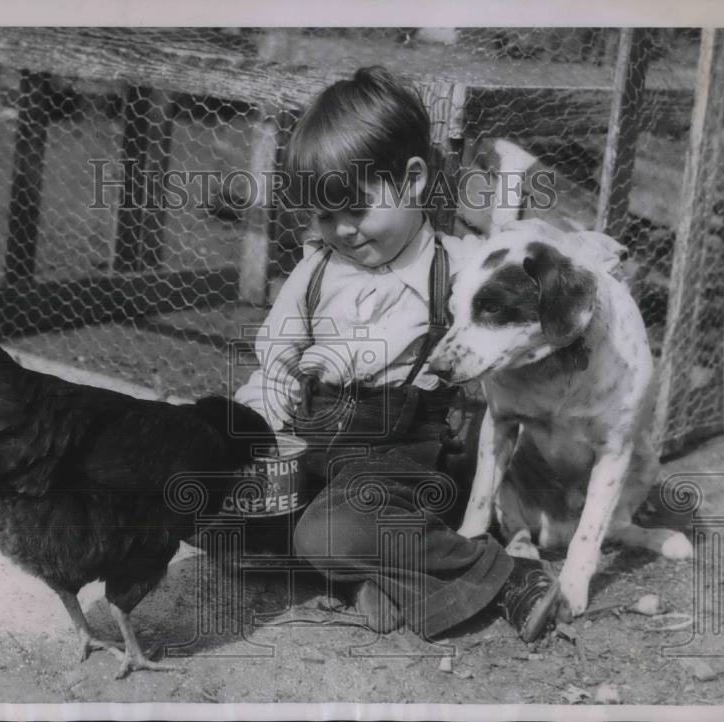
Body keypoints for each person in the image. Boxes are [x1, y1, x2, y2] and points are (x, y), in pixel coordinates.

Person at [233, 66, 559, 643]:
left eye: (355, 210)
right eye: (324, 215)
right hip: (314, 445)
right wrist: (254, 428)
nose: (342, 230)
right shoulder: (314, 274)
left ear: (412, 182)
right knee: (213, 503)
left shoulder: (458, 269)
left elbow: (523, 311)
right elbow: (276, 360)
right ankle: (372, 575)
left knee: (331, 531)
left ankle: (502, 575)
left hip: (405, 462)